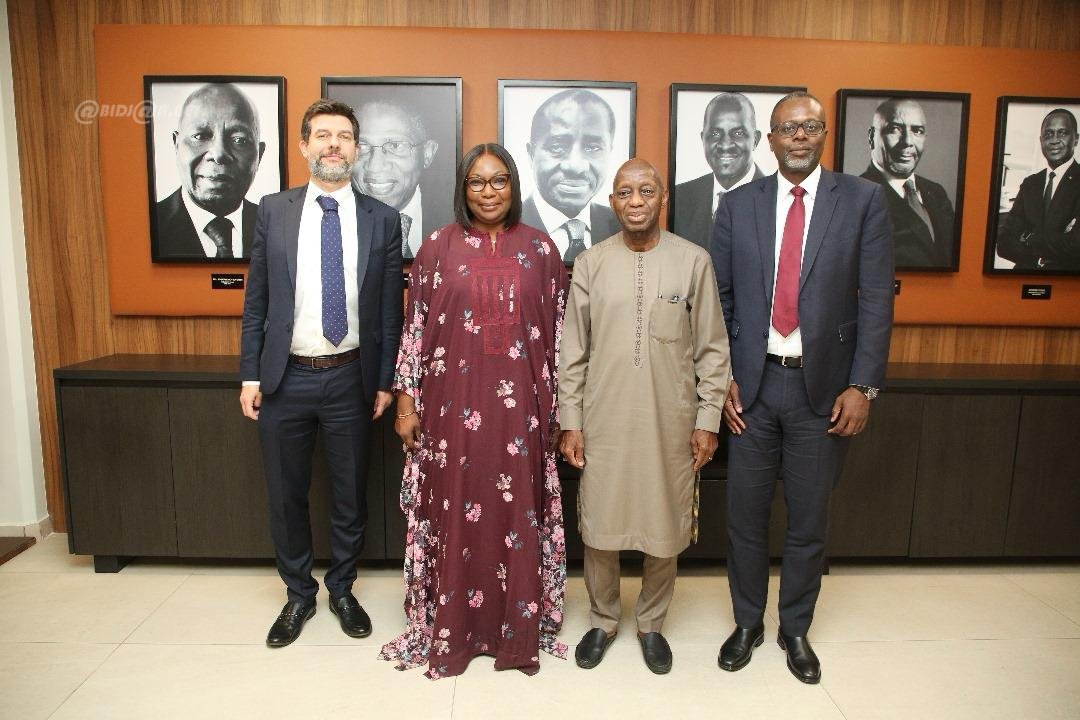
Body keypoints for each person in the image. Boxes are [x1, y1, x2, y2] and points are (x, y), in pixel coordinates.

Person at [711, 92, 893, 684]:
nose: (798, 136)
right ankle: (747, 623)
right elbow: (720, 301)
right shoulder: (737, 205)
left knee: (809, 520)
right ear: (770, 138)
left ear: (823, 135)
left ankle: (795, 629)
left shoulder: (862, 200)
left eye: (810, 127)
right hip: (753, 391)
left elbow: (876, 302)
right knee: (744, 518)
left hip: (825, 394)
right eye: (788, 128)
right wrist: (723, 378)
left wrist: (863, 386)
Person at [380, 142, 569, 679]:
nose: (489, 192)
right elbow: (415, 328)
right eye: (477, 182)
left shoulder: (541, 250)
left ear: (514, 186)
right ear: (463, 189)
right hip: (449, 412)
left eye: (499, 180)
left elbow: (561, 338)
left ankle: (517, 629)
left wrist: (563, 413)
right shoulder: (436, 248)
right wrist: (405, 401)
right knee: (454, 508)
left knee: (517, 512)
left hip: (523, 415)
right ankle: (453, 626)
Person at [239, 99, 404, 648]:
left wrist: (384, 381)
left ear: (356, 148)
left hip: (351, 379)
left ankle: (342, 589)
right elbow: (256, 302)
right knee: (286, 494)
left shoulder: (383, 220)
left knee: (349, 493)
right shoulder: (274, 211)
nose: (334, 145)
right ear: (304, 145)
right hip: (284, 379)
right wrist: (250, 375)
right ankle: (298, 594)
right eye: (323, 135)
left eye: (344, 136)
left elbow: (389, 313)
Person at [559, 158, 731, 674]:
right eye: (625, 192)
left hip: (669, 421)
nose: (636, 201)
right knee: (600, 524)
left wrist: (708, 420)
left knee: (664, 521)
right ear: (612, 202)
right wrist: (571, 420)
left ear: (663, 199)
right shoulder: (590, 263)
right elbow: (573, 352)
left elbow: (712, 350)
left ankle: (652, 624)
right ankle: (603, 619)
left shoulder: (693, 261)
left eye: (646, 191)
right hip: (603, 419)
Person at [156, 83, 265, 260]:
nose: (219, 154)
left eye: (239, 140)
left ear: (260, 154)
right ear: (176, 145)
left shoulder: (277, 227)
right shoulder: (148, 224)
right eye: (200, 136)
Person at [521, 89, 622, 262]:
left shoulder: (623, 228)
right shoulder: (505, 229)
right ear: (531, 154)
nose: (576, 166)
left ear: (609, 151)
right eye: (557, 146)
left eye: (593, 147)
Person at [860, 97, 955, 269]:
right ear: (871, 137)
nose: (907, 142)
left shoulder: (936, 192)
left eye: (917, 131)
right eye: (895, 129)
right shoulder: (855, 196)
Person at [352, 98, 447, 260]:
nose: (375, 166)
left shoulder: (455, 220)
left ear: (427, 153)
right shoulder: (330, 222)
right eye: (362, 147)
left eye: (395, 146)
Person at [672, 92, 766, 249]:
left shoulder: (776, 197)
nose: (725, 145)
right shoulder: (680, 197)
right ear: (703, 139)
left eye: (738, 133)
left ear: (755, 140)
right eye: (715, 134)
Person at [996, 108, 1080, 271]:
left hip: (1066, 281)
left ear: (1076, 139)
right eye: (1048, 134)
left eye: (1062, 133)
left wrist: (1028, 238)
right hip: (1022, 275)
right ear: (1041, 140)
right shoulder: (1031, 183)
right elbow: (1004, 243)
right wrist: (1040, 258)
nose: (1054, 140)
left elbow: (1076, 245)